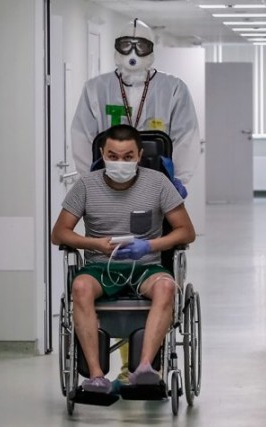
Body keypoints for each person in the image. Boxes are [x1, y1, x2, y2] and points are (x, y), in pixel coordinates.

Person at [51, 124, 195, 393]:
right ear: (102, 155)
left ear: (139, 155)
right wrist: (94, 243)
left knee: (166, 287)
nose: (120, 162)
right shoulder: (86, 186)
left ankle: (144, 369)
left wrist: (148, 245)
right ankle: (96, 377)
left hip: (145, 266)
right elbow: (59, 234)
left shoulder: (158, 183)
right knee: (79, 287)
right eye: (113, 156)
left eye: (128, 157)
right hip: (100, 266)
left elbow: (186, 231)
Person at [70, 18, 201, 198]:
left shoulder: (173, 88)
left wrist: (177, 179)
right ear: (116, 47)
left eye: (141, 46)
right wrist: (90, 180)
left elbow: (187, 135)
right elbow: (82, 135)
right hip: (107, 181)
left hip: (157, 180)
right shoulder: (96, 88)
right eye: (125, 45)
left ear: (151, 49)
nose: (133, 53)